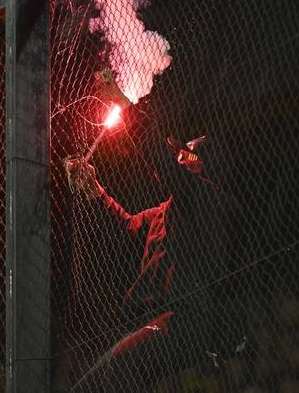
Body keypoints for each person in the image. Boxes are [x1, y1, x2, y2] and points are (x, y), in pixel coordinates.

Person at [66, 136, 246, 392]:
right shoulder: (165, 211)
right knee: (90, 384)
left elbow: (169, 172)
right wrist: (95, 191)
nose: (181, 158)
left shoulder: (208, 200)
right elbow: (126, 229)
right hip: (159, 319)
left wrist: (137, 117)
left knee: (121, 365)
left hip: (187, 317)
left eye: (188, 156)